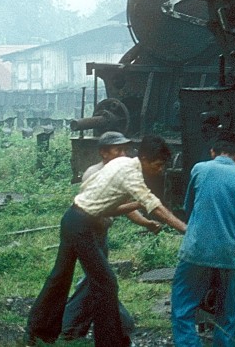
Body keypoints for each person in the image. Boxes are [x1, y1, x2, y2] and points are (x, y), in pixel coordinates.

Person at [28, 135, 187, 347]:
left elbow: (104, 204)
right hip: (81, 223)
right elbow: (154, 206)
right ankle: (110, 342)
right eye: (158, 165)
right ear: (145, 159)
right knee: (105, 282)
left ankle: (38, 331)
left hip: (73, 218)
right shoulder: (132, 175)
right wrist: (187, 229)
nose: (160, 171)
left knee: (60, 276)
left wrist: (135, 207)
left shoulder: (121, 162)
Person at [60, 132, 164, 341]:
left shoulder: (119, 170)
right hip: (88, 231)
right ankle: (74, 326)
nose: (122, 153)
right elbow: (96, 207)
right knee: (99, 282)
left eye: (124, 149)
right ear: (104, 152)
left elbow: (121, 207)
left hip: (98, 234)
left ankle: (104, 328)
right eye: (118, 149)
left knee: (99, 281)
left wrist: (145, 221)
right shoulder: (95, 172)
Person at [171, 130, 235, 347]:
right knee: (227, 316)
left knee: (183, 309)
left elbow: (189, 208)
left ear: (213, 152)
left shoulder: (199, 169)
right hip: (230, 255)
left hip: (197, 252)